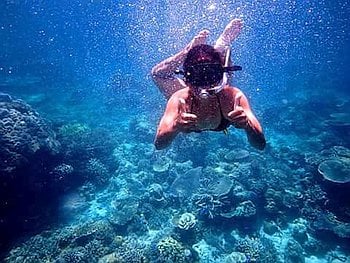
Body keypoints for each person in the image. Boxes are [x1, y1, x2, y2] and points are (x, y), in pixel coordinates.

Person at [151, 19, 266, 150]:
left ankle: (221, 47)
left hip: (221, 86)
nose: (205, 85)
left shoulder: (232, 97)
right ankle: (190, 51)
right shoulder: (180, 99)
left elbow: (260, 145)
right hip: (197, 91)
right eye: (198, 77)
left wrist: (248, 125)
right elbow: (159, 145)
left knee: (222, 78)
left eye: (212, 76)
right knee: (157, 74)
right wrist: (175, 126)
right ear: (187, 80)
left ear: (219, 76)